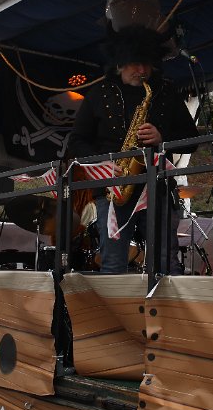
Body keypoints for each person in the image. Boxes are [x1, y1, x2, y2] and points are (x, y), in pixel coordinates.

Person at [69, 25, 199, 274]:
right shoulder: (98, 94)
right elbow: (77, 142)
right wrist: (103, 165)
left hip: (158, 187)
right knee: (113, 264)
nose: (142, 70)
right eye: (136, 63)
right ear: (120, 63)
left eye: (147, 64)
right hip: (114, 189)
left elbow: (192, 139)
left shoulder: (165, 92)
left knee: (166, 264)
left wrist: (163, 138)